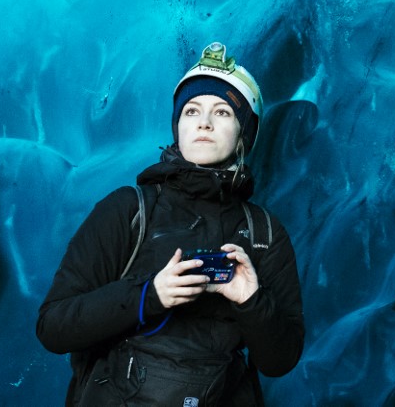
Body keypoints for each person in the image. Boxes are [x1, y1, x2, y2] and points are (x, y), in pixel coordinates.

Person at [37, 42, 304, 406]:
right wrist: (151, 296)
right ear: (177, 125)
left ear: (245, 135)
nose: (204, 122)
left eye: (223, 112)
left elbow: (279, 362)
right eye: (191, 110)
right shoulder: (128, 210)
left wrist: (251, 300)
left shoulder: (265, 234)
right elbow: (53, 327)